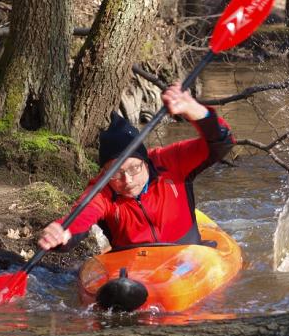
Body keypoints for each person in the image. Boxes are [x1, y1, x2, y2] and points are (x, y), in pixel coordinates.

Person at [38, 82, 234, 252]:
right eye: (116, 173)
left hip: (188, 256)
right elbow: (82, 214)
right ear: (105, 172)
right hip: (136, 265)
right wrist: (63, 232)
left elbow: (222, 143)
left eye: (134, 168)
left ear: (145, 161)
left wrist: (196, 111)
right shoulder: (102, 188)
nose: (128, 180)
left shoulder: (171, 160)